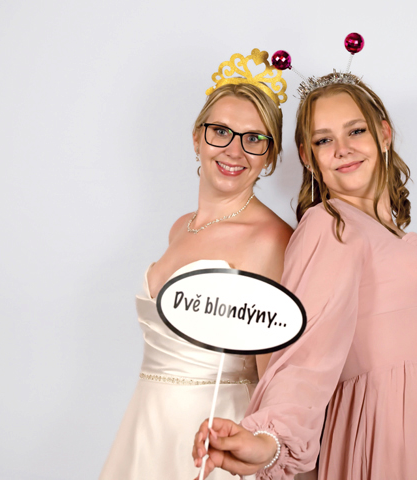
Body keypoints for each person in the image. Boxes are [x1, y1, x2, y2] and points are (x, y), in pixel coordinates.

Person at [192, 73, 417, 479]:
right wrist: (269, 440)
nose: (342, 149)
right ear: (308, 157)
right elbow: (305, 353)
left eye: (355, 131)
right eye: (324, 140)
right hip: (396, 432)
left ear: (384, 134)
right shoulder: (330, 226)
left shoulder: (394, 236)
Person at [100, 49, 293, 480]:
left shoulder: (271, 240)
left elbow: (277, 384)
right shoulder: (180, 227)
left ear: (269, 155)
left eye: (254, 138)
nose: (234, 150)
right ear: (196, 138)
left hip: (216, 436)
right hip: (147, 422)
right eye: (220, 131)